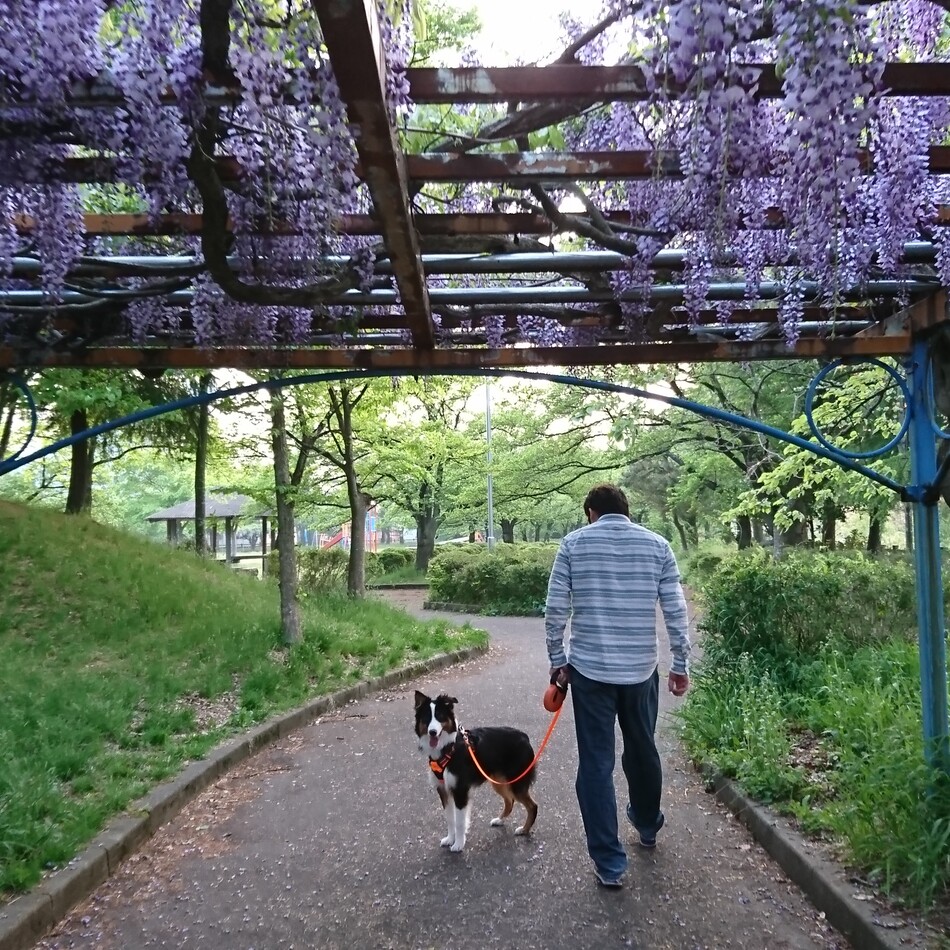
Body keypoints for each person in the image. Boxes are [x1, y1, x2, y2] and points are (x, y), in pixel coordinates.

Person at [544, 483, 691, 889]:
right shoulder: (658, 545)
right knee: (643, 749)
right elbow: (676, 610)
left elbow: (556, 608)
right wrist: (680, 662)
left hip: (590, 672)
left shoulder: (573, 545)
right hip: (641, 671)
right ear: (626, 510)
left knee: (595, 763)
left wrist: (557, 661)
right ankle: (646, 824)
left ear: (591, 511)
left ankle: (610, 863)